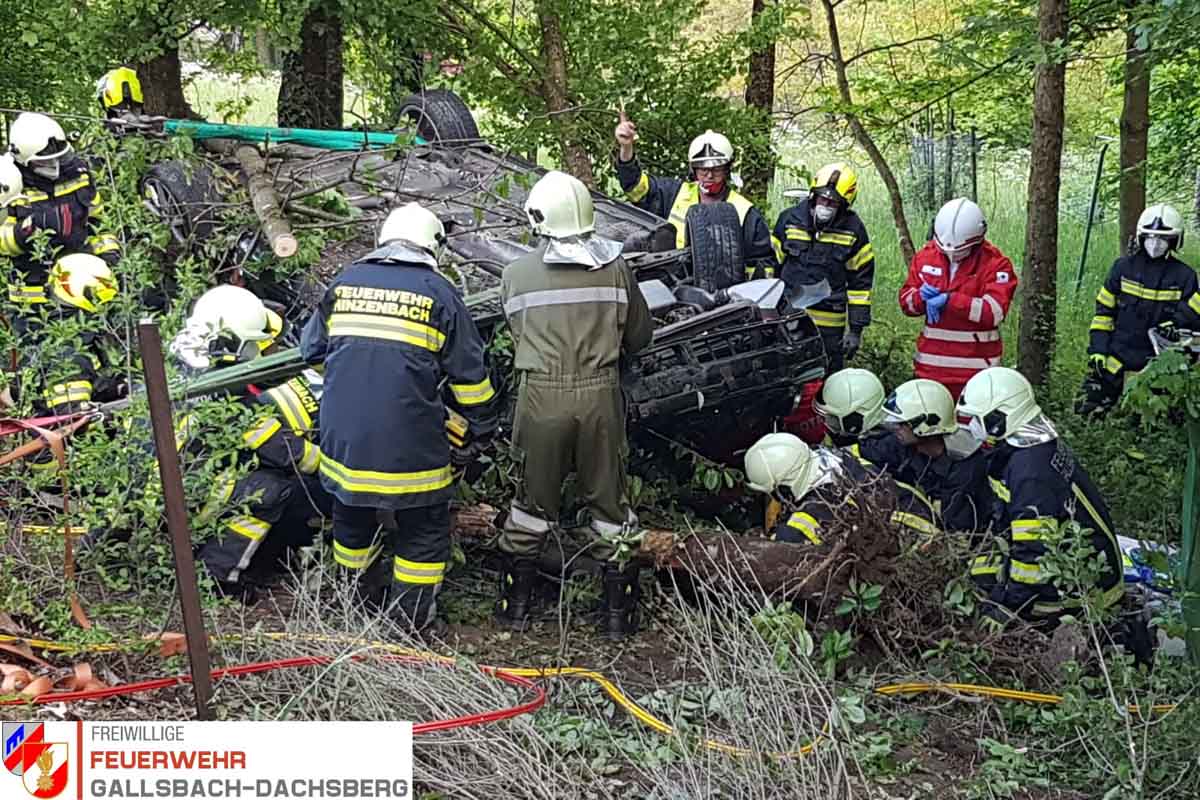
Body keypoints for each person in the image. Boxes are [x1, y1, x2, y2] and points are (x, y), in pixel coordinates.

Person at [301, 202, 498, 632]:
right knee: (423, 532)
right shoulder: (440, 293)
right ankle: (406, 625)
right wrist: (482, 428)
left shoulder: (345, 283)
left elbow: (312, 352)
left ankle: (354, 606)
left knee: (352, 523)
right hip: (411, 452)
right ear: (433, 246)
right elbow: (470, 380)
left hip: (344, 445)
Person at [497, 170, 653, 639]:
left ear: (539, 219)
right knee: (610, 504)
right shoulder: (618, 268)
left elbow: (516, 334)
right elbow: (640, 337)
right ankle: (616, 617)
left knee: (531, 503)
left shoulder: (515, 275)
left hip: (541, 396)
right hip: (600, 395)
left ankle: (516, 607)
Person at [170, 285, 332, 597]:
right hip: (183, 501)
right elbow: (280, 449)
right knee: (267, 490)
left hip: (137, 500)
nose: (253, 356)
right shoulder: (225, 389)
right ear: (232, 342)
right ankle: (214, 578)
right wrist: (332, 465)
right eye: (249, 348)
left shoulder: (173, 361)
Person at [957, 367, 1123, 624]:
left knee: (980, 590)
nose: (972, 427)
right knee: (976, 569)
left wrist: (1006, 608)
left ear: (999, 419)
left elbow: (1032, 557)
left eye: (976, 419)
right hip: (1084, 563)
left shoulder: (1030, 473)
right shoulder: (1033, 447)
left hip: (1081, 590)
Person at [613, 113, 779, 281]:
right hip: (672, 288)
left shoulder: (745, 212)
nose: (709, 175)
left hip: (724, 296)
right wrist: (626, 149)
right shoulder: (674, 194)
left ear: (728, 168)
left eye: (716, 169)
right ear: (693, 169)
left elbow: (763, 266)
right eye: (702, 169)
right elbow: (636, 188)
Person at [1079, 203, 1200, 414]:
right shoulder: (1122, 268)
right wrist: (1098, 348)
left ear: (1175, 240)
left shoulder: (1185, 276)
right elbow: (1103, 314)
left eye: (1163, 239)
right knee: (1087, 410)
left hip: (1157, 364)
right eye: (1151, 237)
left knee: (1153, 424)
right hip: (1116, 356)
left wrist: (1177, 326)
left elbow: (1194, 322)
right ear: (1140, 237)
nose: (1156, 244)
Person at [899, 198, 1017, 399]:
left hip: (976, 374)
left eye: (960, 251)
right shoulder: (926, 257)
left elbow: (994, 312)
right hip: (930, 371)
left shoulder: (996, 264)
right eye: (946, 250)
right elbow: (906, 303)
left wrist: (951, 301)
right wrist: (919, 298)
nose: (952, 255)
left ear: (977, 240)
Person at [1, 112, 121, 302]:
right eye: (45, 161)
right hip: (33, 301)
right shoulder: (6, 181)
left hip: (82, 287)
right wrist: (25, 231)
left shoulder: (78, 173)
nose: (54, 166)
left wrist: (108, 252)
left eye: (59, 157)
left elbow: (100, 220)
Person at [744, 432, 935, 546]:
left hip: (917, 548)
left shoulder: (807, 520)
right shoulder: (843, 458)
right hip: (928, 519)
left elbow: (780, 554)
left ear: (784, 488)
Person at [775, 163, 876, 371]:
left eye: (833, 202)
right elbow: (769, 265)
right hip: (788, 316)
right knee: (785, 373)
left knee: (827, 376)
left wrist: (855, 330)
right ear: (813, 195)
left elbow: (860, 286)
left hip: (829, 323)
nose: (826, 205)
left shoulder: (853, 231)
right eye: (823, 199)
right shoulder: (789, 220)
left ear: (844, 204)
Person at [881, 379, 995, 537]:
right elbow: (869, 452)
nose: (895, 428)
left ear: (925, 425)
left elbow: (955, 533)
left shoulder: (966, 468)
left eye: (901, 424)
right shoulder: (908, 444)